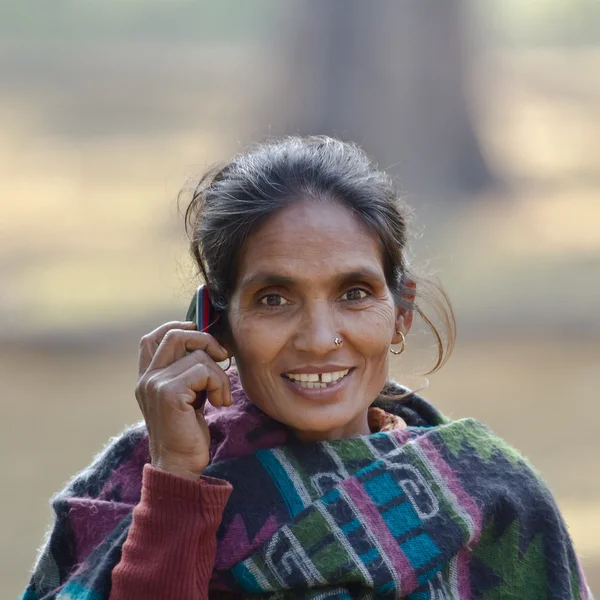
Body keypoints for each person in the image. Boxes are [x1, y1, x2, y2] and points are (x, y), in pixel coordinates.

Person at [23, 136, 592, 600]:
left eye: (354, 292)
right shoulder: (136, 486)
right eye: (274, 298)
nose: (320, 340)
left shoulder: (492, 499)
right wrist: (176, 482)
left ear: (401, 313)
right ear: (216, 323)